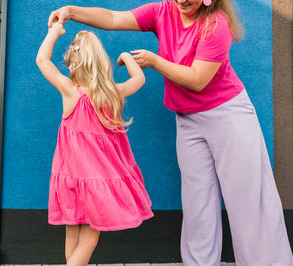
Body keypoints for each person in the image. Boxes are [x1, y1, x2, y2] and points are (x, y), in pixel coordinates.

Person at [47, 1, 293, 266]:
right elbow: (113, 18)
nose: (183, 0)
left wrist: (154, 61)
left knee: (247, 198)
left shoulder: (217, 24)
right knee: (197, 203)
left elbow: (198, 79)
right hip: (188, 118)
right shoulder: (162, 11)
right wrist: (71, 12)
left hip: (228, 114)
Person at [36, 23, 154, 266]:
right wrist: (125, 58)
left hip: (69, 178)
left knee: (72, 235)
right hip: (97, 182)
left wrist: (54, 33)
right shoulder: (112, 93)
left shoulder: (70, 91)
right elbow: (139, 78)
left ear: (73, 64)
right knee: (88, 241)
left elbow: (42, 60)